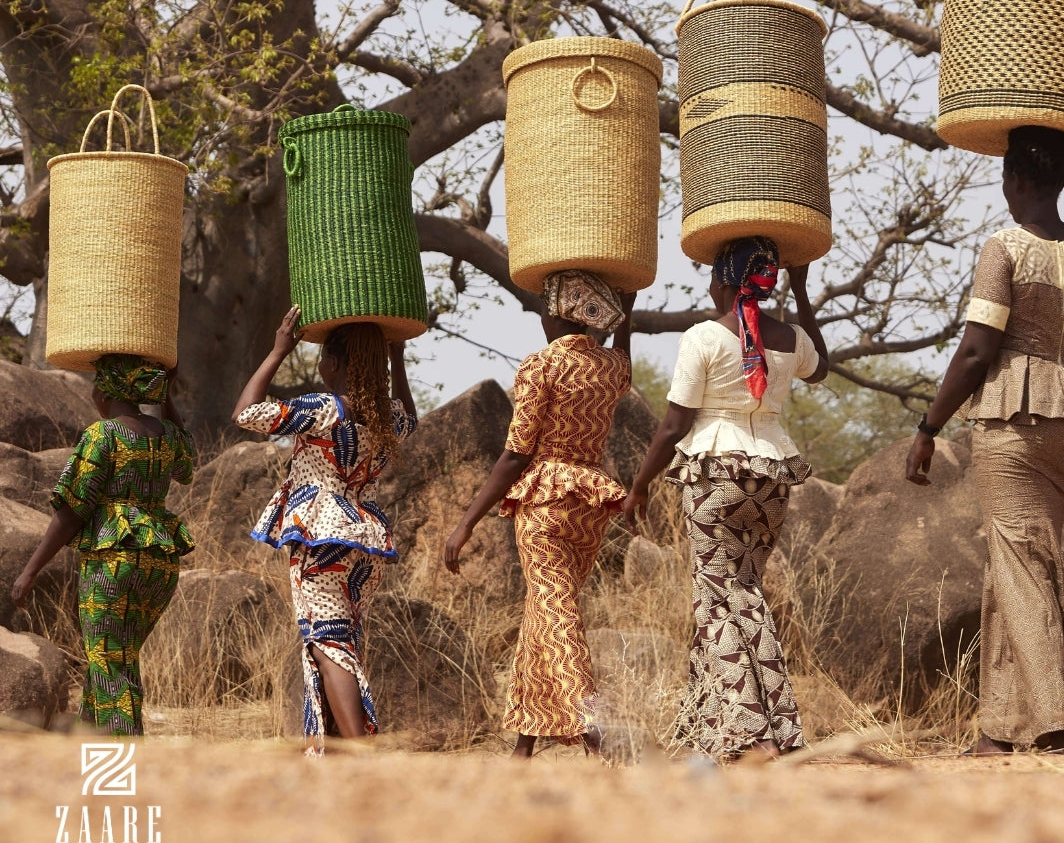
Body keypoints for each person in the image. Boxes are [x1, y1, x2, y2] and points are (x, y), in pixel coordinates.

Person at [905, 125, 1064, 756]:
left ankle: (1057, 721)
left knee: (1020, 566)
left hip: (1015, 419)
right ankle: (999, 730)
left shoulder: (1003, 247)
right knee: (1015, 568)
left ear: (1017, 181)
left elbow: (978, 351)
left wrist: (929, 427)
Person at [623, 237, 828, 761]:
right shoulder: (789, 337)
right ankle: (723, 728)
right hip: (771, 475)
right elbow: (820, 365)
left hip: (715, 472)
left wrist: (640, 485)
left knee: (716, 600)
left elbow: (673, 425)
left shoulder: (704, 337)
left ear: (724, 282)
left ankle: (748, 733)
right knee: (745, 591)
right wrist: (802, 292)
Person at [443, 271, 635, 758]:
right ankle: (524, 744)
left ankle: (594, 727)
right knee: (544, 611)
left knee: (555, 608)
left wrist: (467, 522)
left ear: (556, 314)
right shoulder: (612, 367)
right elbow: (622, 357)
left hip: (546, 502)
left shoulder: (540, 366)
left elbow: (515, 454)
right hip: (591, 506)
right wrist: (624, 309)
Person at [233, 307, 416, 751]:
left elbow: (245, 414)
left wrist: (278, 351)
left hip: (321, 537)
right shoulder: (386, 415)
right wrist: (396, 356)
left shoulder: (323, 409)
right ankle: (338, 754)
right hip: (365, 540)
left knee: (327, 644)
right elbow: (410, 416)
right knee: (341, 640)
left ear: (332, 363)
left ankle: (358, 754)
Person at [11, 355, 195, 736]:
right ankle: (93, 764)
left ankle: (123, 767)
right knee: (115, 661)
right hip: (160, 560)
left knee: (110, 662)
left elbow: (72, 511)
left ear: (107, 390)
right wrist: (168, 396)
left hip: (115, 559)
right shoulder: (164, 434)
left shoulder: (103, 435)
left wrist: (30, 571)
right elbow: (187, 466)